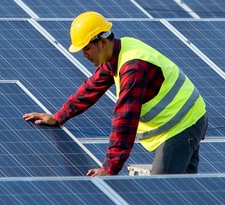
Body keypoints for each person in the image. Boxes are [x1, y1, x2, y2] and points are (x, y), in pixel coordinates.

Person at [24, 11, 207, 176]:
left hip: (181, 127)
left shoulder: (133, 68)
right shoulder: (117, 53)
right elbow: (91, 88)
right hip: (186, 119)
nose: (84, 55)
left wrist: (110, 168)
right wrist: (58, 117)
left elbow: (125, 119)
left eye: (87, 48)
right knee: (182, 191)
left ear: (102, 42)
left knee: (163, 189)